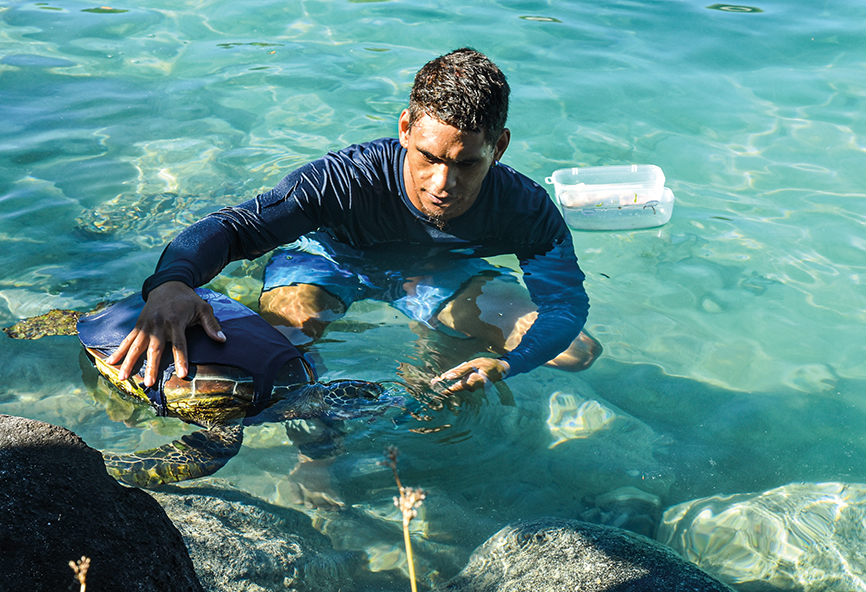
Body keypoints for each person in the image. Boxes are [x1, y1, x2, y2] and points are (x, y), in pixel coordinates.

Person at [108, 48, 601, 397]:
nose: (442, 183)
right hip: (329, 260)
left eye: (467, 163)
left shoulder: (525, 207)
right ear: (405, 129)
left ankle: (434, 343)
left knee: (576, 351)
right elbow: (235, 227)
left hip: (435, 273)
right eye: (427, 156)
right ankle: (314, 451)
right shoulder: (346, 180)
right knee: (284, 347)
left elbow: (564, 304)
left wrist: (510, 364)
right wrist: (172, 282)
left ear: (500, 146)